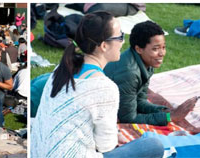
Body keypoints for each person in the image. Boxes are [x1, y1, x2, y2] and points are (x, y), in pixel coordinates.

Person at [32, 11, 163, 158]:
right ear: (104, 46)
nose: (123, 42)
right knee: (154, 145)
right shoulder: (104, 87)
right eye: (120, 37)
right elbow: (106, 147)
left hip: (38, 152)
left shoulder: (61, 69)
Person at [104, 21, 195, 126]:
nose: (161, 53)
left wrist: (165, 111)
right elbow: (128, 118)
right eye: (155, 49)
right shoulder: (130, 73)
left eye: (163, 47)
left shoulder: (146, 62)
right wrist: (170, 117)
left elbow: (140, 100)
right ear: (139, 49)